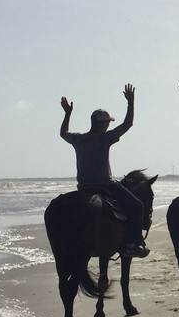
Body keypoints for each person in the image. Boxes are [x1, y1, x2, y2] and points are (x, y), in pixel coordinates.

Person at [59, 85, 149, 258]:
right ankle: (132, 244)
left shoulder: (78, 139)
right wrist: (131, 103)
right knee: (137, 206)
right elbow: (128, 124)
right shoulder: (105, 138)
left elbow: (63, 133)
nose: (109, 125)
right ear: (101, 124)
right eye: (108, 122)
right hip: (105, 184)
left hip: (83, 187)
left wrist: (67, 113)